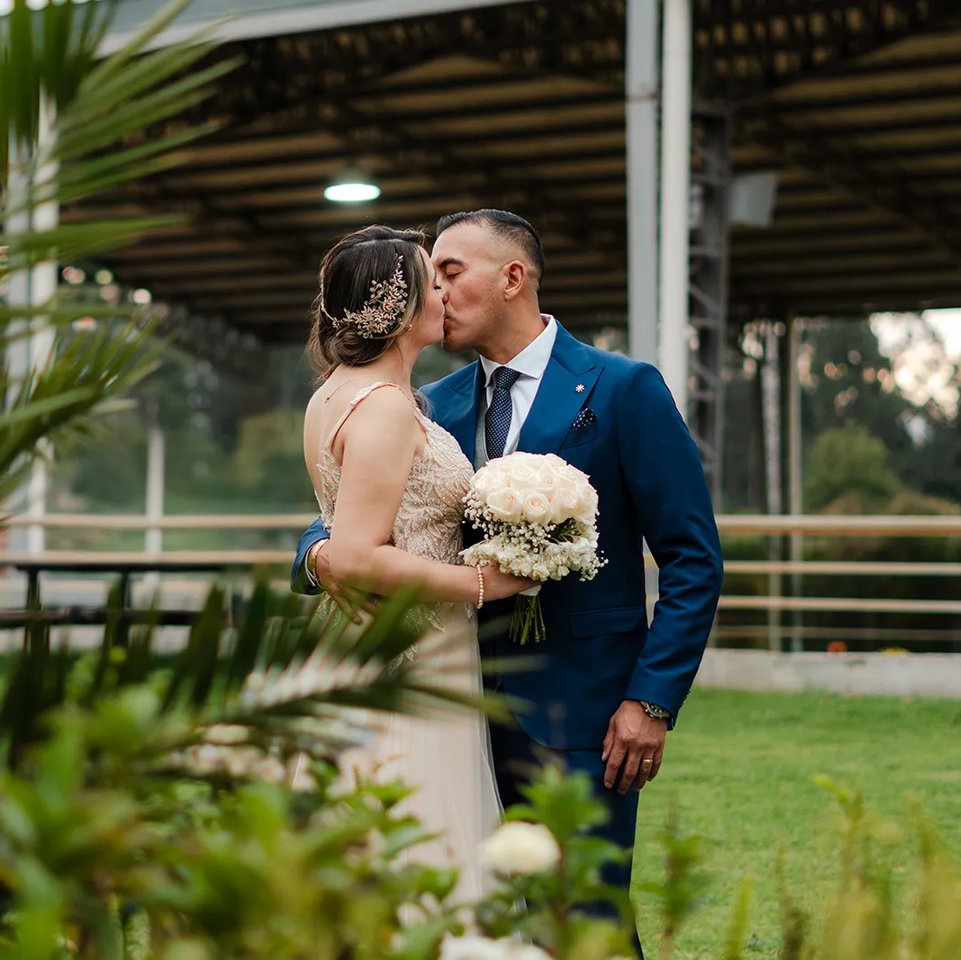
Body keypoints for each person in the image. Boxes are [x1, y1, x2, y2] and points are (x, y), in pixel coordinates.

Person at [295, 210, 724, 939]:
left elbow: (692, 558)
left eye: (450, 274)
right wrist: (317, 551)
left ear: (512, 278)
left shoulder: (623, 390)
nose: (436, 292)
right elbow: (358, 506)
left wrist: (650, 702)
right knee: (471, 910)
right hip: (452, 700)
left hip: (582, 711)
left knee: (584, 920)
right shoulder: (433, 403)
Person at [298, 224, 533, 898]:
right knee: (417, 835)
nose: (447, 294)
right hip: (414, 645)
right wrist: (483, 582)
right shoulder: (386, 409)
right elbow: (356, 551)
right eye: (436, 280)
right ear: (400, 307)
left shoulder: (334, 395)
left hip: (369, 636)